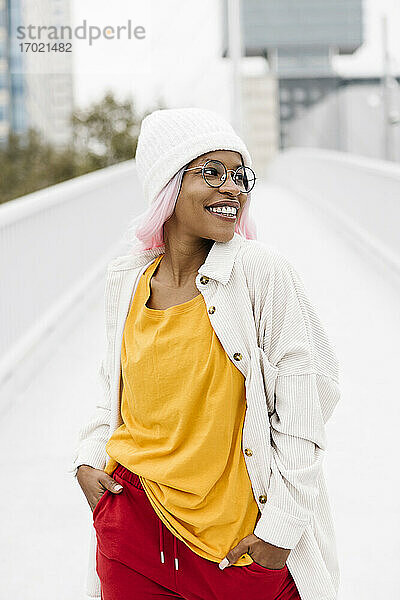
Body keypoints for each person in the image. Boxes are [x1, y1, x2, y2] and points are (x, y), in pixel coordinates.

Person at [68, 107, 341, 600]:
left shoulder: (261, 274)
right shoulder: (127, 280)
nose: (232, 187)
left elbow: (310, 401)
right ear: (168, 186)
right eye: (211, 172)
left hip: (237, 545)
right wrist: (88, 461)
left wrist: (280, 532)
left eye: (238, 174)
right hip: (132, 528)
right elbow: (114, 392)